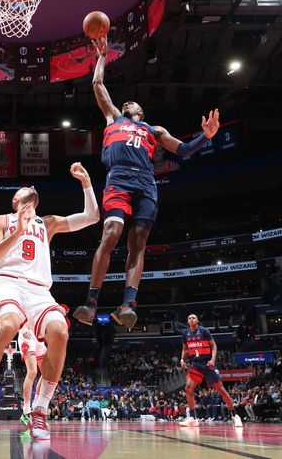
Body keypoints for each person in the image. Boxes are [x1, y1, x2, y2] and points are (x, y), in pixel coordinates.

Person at [73, 36, 220, 328]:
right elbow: (97, 86)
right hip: (118, 179)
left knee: (138, 242)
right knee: (111, 232)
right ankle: (91, 302)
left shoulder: (154, 130)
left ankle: (128, 304)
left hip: (146, 184)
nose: (126, 101)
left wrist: (207, 136)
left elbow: (185, 150)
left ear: (140, 112)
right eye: (124, 101)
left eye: (132, 102)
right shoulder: (113, 118)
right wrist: (101, 56)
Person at [0, 162, 100, 440]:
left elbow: (92, 216)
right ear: (15, 200)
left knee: (60, 330)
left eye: (33, 188)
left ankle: (40, 412)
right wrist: (18, 232)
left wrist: (86, 182)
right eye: (25, 188)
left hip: (39, 292)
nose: (31, 187)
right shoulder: (2, 220)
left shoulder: (48, 223)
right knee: (9, 324)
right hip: (8, 281)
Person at [178, 314, 243, 427]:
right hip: (195, 364)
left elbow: (214, 346)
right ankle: (193, 418)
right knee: (188, 389)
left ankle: (235, 415)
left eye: (193, 318)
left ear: (197, 320)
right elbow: (185, 349)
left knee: (221, 389)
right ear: (187, 322)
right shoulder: (185, 334)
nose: (191, 319)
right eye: (189, 318)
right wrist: (182, 360)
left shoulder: (204, 331)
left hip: (207, 364)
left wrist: (213, 359)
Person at [18, 324, 47, 426]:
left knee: (47, 374)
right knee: (32, 371)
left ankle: (35, 405)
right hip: (28, 333)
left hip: (39, 335)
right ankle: (26, 410)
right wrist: (23, 328)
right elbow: (21, 313)